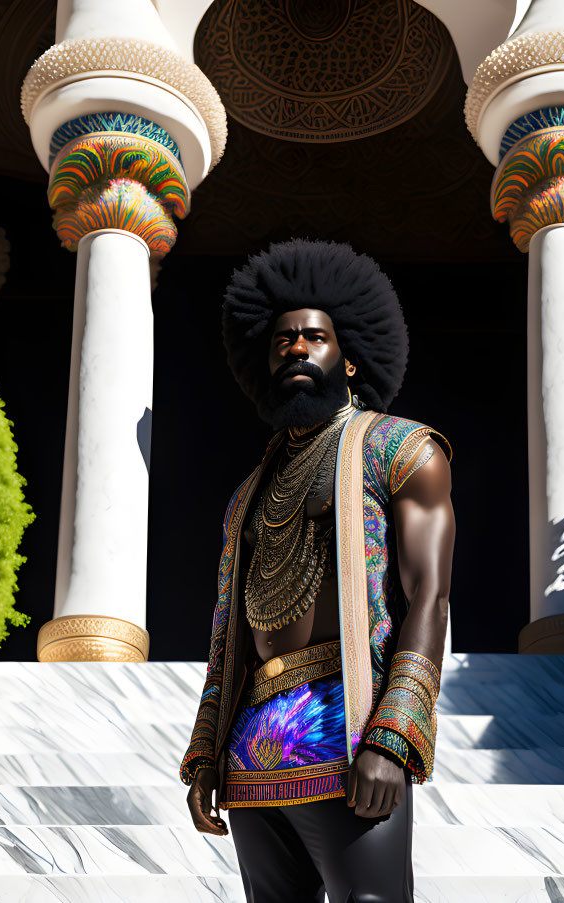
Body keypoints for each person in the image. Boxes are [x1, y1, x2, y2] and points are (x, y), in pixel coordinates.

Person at [180, 239, 455, 902]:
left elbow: (429, 597)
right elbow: (227, 634)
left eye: (313, 337)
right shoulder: (248, 492)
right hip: (252, 741)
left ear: (350, 355)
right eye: (280, 341)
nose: (295, 349)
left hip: (352, 721)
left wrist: (392, 736)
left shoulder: (404, 449)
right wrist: (207, 751)